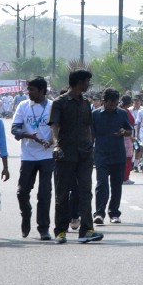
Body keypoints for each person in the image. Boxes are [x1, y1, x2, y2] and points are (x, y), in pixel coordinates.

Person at [48, 69, 102, 244]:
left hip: (84, 154)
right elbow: (54, 126)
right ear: (80, 82)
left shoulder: (86, 103)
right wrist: (56, 145)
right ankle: (60, 231)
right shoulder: (59, 102)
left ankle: (87, 230)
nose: (88, 85)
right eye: (87, 81)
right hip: (65, 153)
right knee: (62, 193)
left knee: (86, 192)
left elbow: (88, 128)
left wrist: (90, 145)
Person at [12, 77, 55, 240]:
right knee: (22, 192)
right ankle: (26, 214)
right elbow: (15, 128)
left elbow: (59, 128)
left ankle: (43, 228)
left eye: (32, 90)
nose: (28, 93)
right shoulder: (23, 106)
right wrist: (28, 135)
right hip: (28, 156)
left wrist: (52, 141)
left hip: (47, 155)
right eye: (28, 89)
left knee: (44, 193)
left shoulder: (53, 106)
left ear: (42, 91)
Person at [92, 88, 134, 225]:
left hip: (118, 155)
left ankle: (114, 213)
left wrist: (124, 132)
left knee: (116, 185)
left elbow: (129, 131)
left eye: (115, 104)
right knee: (102, 184)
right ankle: (99, 213)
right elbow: (91, 135)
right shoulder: (95, 115)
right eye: (110, 104)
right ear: (104, 101)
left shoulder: (122, 114)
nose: (112, 107)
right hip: (101, 154)